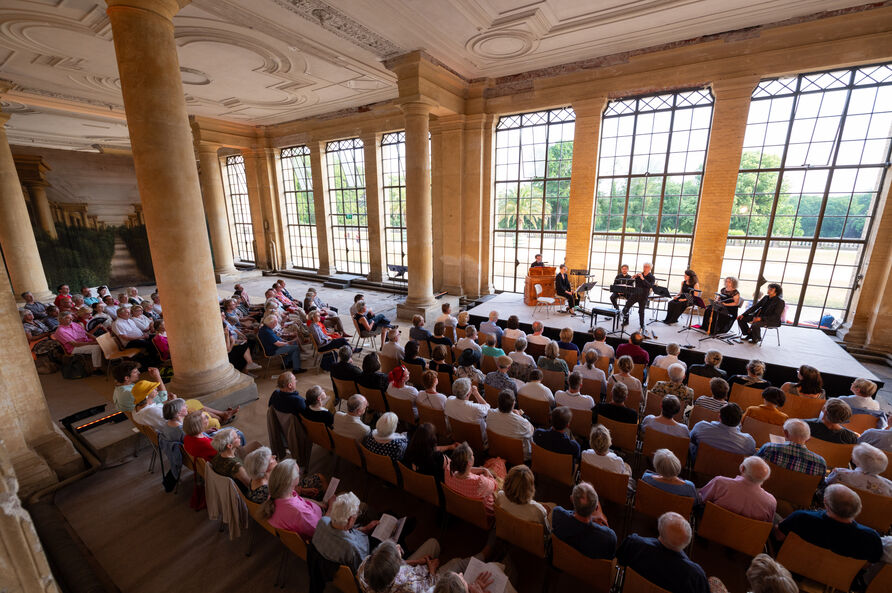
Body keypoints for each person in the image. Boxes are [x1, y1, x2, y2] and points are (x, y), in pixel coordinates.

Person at [776, 484, 883, 565]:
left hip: (792, 564)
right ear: (858, 509)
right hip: (837, 579)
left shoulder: (801, 518)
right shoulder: (871, 538)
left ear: (826, 503)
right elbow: (868, 565)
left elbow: (779, 536)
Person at [616, 512, 709, 593]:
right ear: (687, 541)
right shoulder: (696, 576)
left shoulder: (634, 544)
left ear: (660, 529)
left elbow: (617, 564)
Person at [311, 491, 380, 572]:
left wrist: (363, 529)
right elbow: (360, 569)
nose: (358, 514)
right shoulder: (354, 548)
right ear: (350, 519)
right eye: (357, 513)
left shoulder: (322, 521)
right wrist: (365, 530)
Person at [261, 459, 325, 539]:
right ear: (291, 482)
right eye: (298, 474)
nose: (300, 475)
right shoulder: (300, 513)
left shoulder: (274, 494)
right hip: (322, 526)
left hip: (311, 514)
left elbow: (296, 498)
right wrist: (331, 506)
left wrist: (317, 503)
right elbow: (322, 531)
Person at [699, 456, 776, 521]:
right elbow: (767, 524)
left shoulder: (720, 482)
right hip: (746, 537)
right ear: (766, 478)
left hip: (711, 527)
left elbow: (702, 499)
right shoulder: (771, 502)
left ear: (742, 468)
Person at [552, 482, 616, 559]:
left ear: (572, 499)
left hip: (563, 560)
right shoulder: (609, 537)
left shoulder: (558, 514)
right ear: (596, 508)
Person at [356, 539, 440, 593]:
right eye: (397, 556)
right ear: (395, 571)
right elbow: (430, 588)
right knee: (434, 543)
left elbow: (390, 565)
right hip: (426, 583)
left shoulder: (364, 566)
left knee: (432, 543)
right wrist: (432, 570)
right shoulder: (409, 586)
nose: (398, 547)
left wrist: (416, 561)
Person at [756, 418, 827, 476]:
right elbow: (820, 488)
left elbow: (753, 467)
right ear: (808, 439)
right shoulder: (820, 463)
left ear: (786, 433)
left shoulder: (769, 448)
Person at [443, 442, 500, 514]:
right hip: (483, 513)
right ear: (469, 463)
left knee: (491, 463)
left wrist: (483, 470)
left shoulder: (448, 471)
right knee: (498, 463)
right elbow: (495, 485)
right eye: (472, 455)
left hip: (461, 508)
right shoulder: (480, 483)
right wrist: (486, 473)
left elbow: (461, 470)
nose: (473, 456)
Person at [690, 402, 756, 458]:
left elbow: (690, 439)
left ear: (719, 416)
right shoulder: (748, 441)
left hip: (698, 469)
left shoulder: (701, 427)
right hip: (729, 472)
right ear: (739, 421)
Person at [496, 465, 551, 532]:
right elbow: (546, 531)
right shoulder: (538, 510)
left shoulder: (500, 495)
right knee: (553, 506)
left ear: (507, 481)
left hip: (507, 531)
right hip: (529, 539)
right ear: (530, 488)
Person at [827, 442, 892, 496]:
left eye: (853, 455)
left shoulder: (839, 473)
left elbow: (825, 486)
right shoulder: (889, 485)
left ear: (857, 462)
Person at [486, 390, 534, 460]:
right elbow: (532, 430)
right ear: (513, 404)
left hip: (497, 449)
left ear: (498, 402)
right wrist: (519, 416)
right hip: (518, 456)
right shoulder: (521, 422)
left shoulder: (490, 413)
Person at [445, 378, 490, 445]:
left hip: (458, 435)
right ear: (468, 393)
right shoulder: (475, 408)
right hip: (477, 440)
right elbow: (487, 407)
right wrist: (476, 393)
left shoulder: (449, 399)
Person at [209, 427, 251, 492]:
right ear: (229, 446)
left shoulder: (217, 457)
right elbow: (250, 485)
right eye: (236, 437)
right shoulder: (237, 467)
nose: (239, 436)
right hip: (242, 494)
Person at [621, 263, 655, 328]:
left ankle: (642, 325)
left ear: (650, 268)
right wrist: (632, 278)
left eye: (647, 267)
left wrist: (643, 278)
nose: (645, 268)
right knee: (626, 307)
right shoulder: (639, 275)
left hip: (643, 296)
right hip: (635, 294)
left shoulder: (652, 277)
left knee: (641, 311)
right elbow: (629, 283)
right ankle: (626, 321)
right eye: (644, 266)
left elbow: (650, 286)